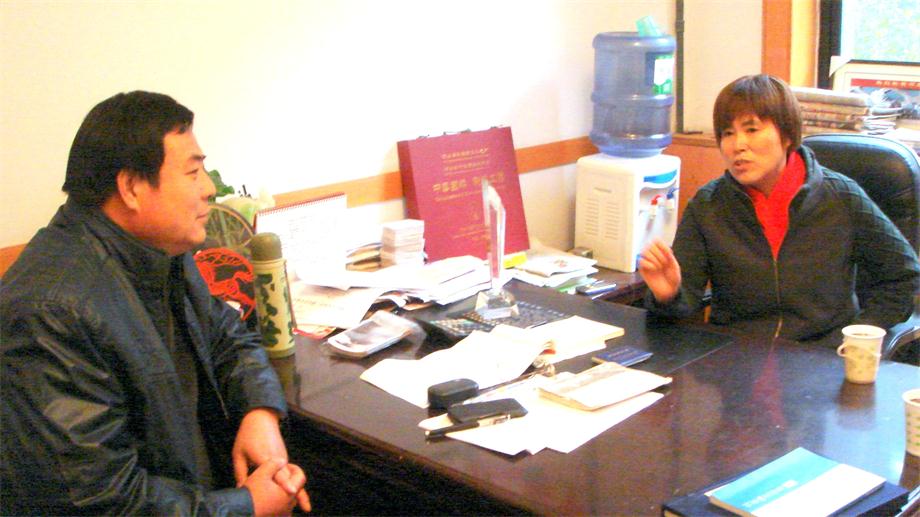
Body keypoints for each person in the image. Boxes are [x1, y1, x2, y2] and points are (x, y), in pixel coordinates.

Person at [0, 91, 311, 515]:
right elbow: (99, 499)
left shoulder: (158, 249)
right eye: (193, 172)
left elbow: (227, 334)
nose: (208, 189)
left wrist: (260, 411)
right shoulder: (50, 312)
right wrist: (247, 506)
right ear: (131, 187)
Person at [639, 74, 919, 345]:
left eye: (751, 130)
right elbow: (683, 303)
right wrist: (668, 295)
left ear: (786, 134)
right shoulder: (708, 204)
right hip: (736, 354)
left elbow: (904, 276)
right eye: (727, 133)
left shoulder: (841, 196)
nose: (738, 145)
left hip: (821, 356)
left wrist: (859, 335)